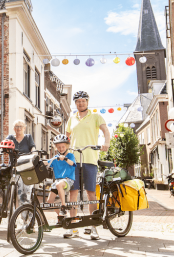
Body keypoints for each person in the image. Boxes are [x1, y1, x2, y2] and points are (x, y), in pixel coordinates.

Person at [64, 91, 110, 240]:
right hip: (73, 160)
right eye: (78, 101)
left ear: (87, 102)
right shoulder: (72, 118)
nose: (81, 103)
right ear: (75, 103)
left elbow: (105, 130)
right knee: (73, 192)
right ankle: (73, 226)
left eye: (83, 101)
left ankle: (93, 227)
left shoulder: (96, 116)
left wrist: (106, 143)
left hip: (90, 158)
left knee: (91, 193)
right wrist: (63, 149)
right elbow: (67, 137)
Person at [4, 119, 35, 206]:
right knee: (19, 192)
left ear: (24, 128)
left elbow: (33, 147)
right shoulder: (10, 137)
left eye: (21, 127)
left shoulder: (28, 137)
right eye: (17, 127)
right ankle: (19, 212)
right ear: (14, 128)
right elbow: (4, 145)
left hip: (26, 168)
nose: (19, 128)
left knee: (27, 192)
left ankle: (27, 214)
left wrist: (34, 152)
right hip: (15, 168)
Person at [45, 135, 76, 218]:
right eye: (59, 147)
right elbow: (48, 162)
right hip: (58, 181)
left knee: (59, 184)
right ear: (56, 148)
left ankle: (63, 207)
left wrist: (65, 159)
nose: (61, 149)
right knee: (50, 201)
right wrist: (37, 161)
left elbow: (72, 163)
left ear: (67, 146)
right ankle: (60, 216)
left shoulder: (70, 156)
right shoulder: (55, 158)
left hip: (68, 180)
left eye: (63, 147)